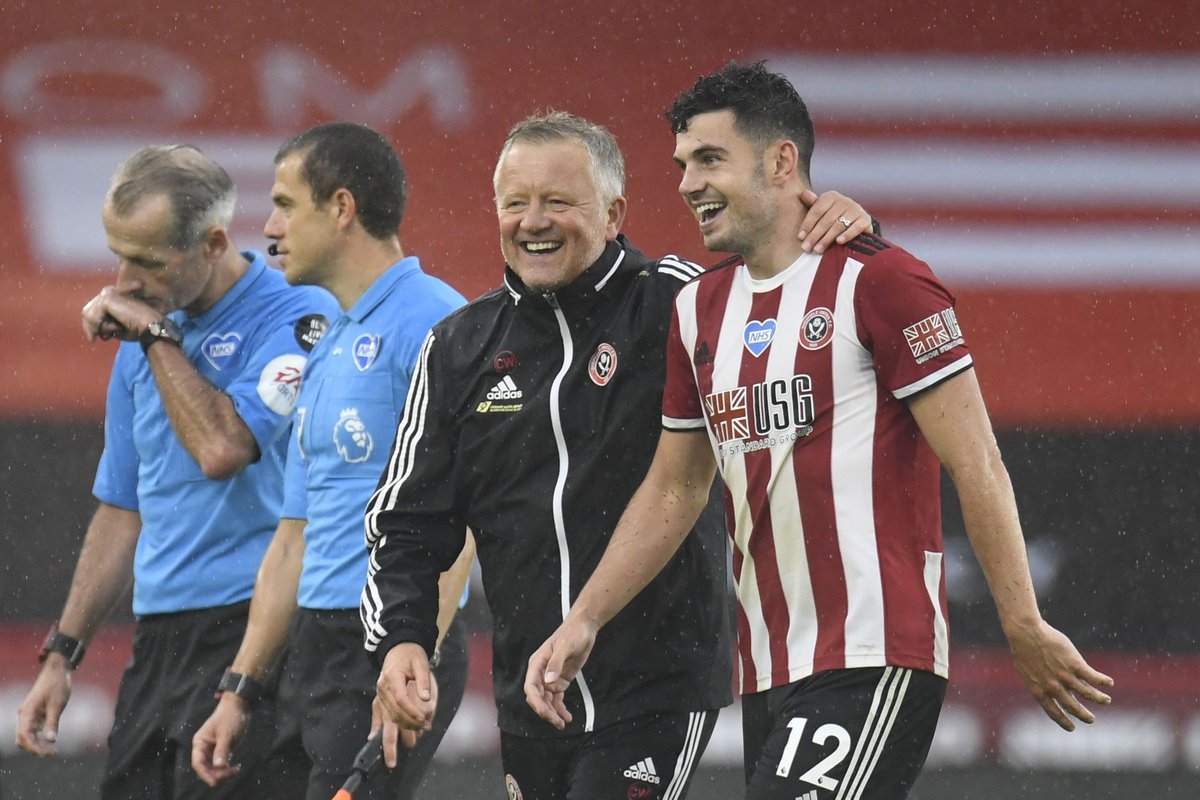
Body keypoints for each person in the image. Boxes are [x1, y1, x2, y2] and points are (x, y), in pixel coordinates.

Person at [524, 62, 1117, 799]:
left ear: (781, 161)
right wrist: (584, 618)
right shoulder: (697, 310)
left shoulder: (882, 280)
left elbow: (979, 463)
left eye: (710, 159)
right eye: (682, 165)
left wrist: (1022, 623)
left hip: (873, 651)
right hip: (769, 669)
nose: (686, 183)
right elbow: (675, 488)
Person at [361, 110, 873, 800]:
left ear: (612, 214)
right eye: (515, 203)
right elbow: (408, 524)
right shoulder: (457, 346)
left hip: (655, 688)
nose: (533, 221)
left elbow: (805, 321)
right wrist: (402, 640)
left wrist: (850, 240)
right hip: (531, 696)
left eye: (558, 203)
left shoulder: (679, 301)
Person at [14, 144, 338, 799]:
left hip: (253, 631)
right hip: (158, 640)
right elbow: (121, 506)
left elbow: (222, 450)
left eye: (148, 260)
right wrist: (62, 654)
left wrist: (157, 340)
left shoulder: (297, 317)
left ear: (213, 242)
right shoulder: (146, 331)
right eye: (118, 254)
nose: (124, 280)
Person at [189, 122, 473, 800]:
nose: (270, 227)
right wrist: (239, 687)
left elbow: (460, 518)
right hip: (316, 649)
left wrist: (412, 656)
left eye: (285, 204)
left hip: (386, 641)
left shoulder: (439, 322)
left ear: (341, 208)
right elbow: (294, 538)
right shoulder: (328, 341)